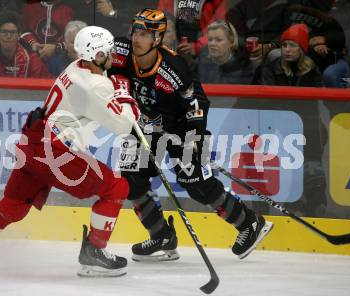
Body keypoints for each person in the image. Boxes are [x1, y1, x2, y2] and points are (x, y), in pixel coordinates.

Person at [0, 25, 141, 277]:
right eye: (108, 52)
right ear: (96, 56)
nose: (113, 57)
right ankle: (94, 252)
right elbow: (125, 125)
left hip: (32, 142)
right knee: (116, 186)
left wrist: (111, 82)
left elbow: (98, 86)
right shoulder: (95, 86)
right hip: (55, 153)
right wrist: (124, 92)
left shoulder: (74, 68)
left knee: (15, 203)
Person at [108, 8, 273, 262]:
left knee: (195, 184)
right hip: (145, 127)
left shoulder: (175, 69)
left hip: (183, 128)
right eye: (135, 31)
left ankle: (249, 223)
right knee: (131, 179)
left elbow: (197, 104)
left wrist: (194, 138)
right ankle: (161, 235)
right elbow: (101, 65)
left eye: (144, 34)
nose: (136, 38)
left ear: (158, 40)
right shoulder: (120, 50)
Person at [0, 11, 52, 78]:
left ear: (19, 35)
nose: (9, 36)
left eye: (13, 32)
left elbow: (44, 88)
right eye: (4, 32)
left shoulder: (32, 59)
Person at [255, 24, 323, 86]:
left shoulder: (312, 70)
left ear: (301, 50)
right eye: (284, 45)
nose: (287, 50)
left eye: (292, 46)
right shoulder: (270, 68)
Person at [197, 20, 255, 84]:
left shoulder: (243, 65)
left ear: (231, 41)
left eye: (218, 40)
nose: (212, 44)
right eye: (210, 39)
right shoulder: (203, 59)